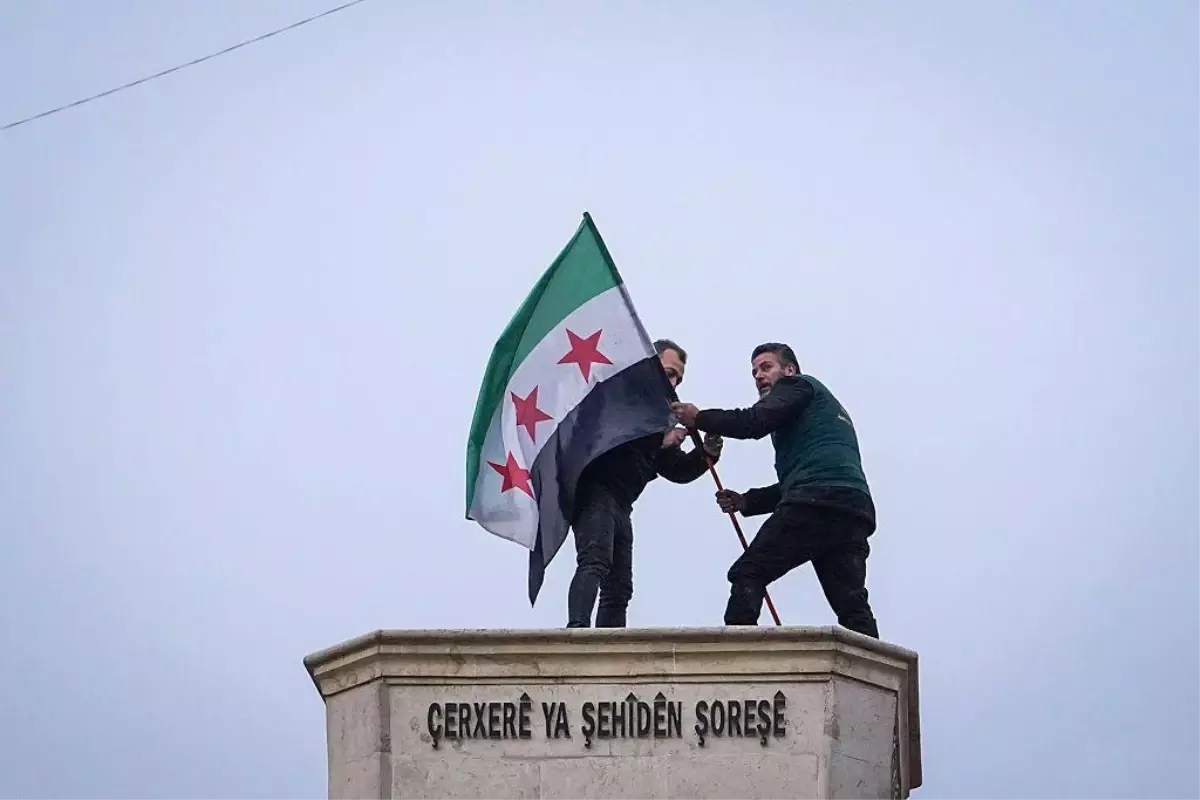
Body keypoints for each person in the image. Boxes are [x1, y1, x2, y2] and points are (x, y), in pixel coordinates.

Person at [670, 342, 879, 638]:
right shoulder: (819, 415)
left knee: (748, 573)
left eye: (766, 367)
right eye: (754, 371)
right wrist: (748, 501)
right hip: (852, 510)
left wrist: (700, 418)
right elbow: (806, 479)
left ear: (789, 370)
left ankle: (739, 657)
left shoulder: (798, 386)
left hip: (816, 503)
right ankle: (870, 666)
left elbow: (754, 422)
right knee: (851, 604)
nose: (758, 376)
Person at [567, 339, 724, 628]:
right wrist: (660, 439)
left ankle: (609, 647)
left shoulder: (662, 415)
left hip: (622, 503)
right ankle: (576, 632)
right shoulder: (621, 393)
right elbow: (607, 436)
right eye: (669, 372)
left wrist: (707, 453)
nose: (673, 382)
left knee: (619, 588)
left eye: (678, 378)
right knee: (595, 559)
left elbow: (675, 469)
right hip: (596, 489)